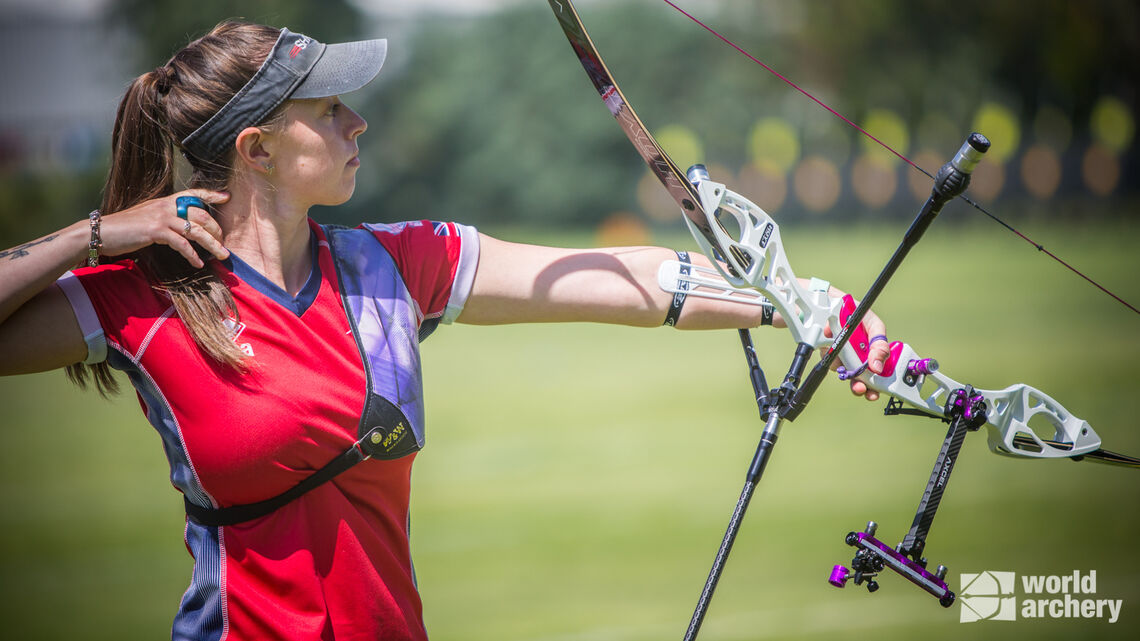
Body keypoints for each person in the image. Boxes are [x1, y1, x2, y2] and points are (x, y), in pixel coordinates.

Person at [0, 22, 889, 641]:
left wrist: (806, 306)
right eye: (329, 110)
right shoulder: (142, 301)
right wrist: (96, 234)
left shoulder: (394, 267)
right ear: (257, 151)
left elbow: (615, 280)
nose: (358, 121)